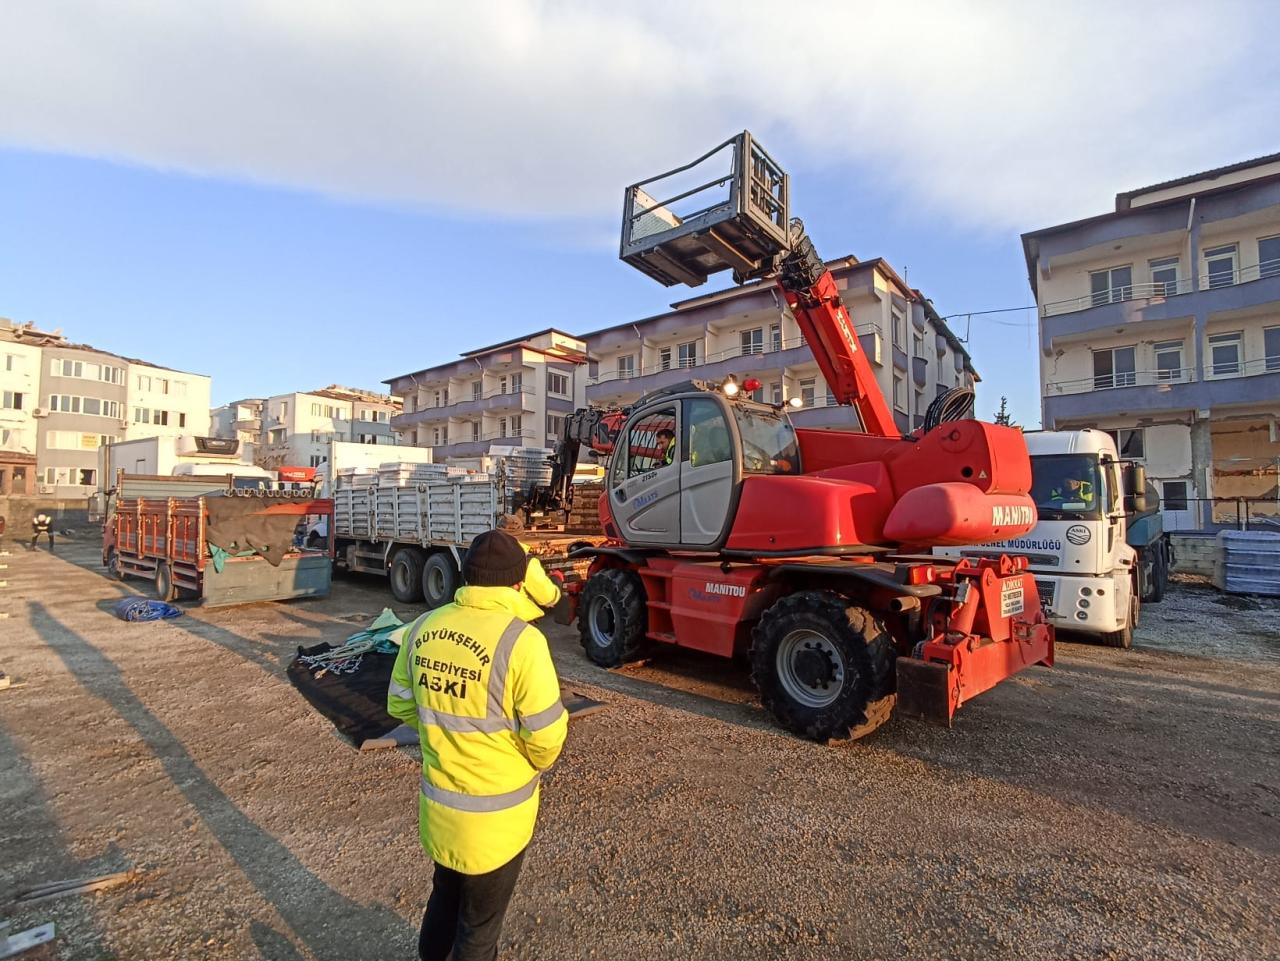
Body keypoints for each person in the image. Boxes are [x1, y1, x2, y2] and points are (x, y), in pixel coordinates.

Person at [388, 529, 568, 961]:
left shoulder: (422, 627)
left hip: (440, 812)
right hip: (497, 824)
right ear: (518, 583)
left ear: (466, 576)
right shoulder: (523, 642)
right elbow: (546, 739)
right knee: (479, 929)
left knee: (444, 898)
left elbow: (400, 704)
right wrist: (524, 761)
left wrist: (441, 732)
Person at [495, 514, 564, 615]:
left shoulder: (479, 555)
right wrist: (556, 579)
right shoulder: (527, 563)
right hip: (512, 619)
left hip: (482, 618)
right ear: (521, 536)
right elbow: (548, 598)